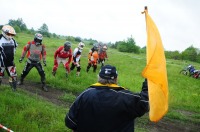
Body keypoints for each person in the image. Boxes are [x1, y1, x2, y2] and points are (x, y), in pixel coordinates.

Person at [65, 65, 149, 132]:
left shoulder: (85, 94)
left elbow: (70, 121)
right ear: (116, 78)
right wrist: (148, 82)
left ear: (99, 77)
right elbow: (144, 103)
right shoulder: (127, 97)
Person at [0, 25, 18, 91]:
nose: (10, 36)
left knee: (14, 76)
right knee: (0, 76)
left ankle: (14, 90)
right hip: (1, 63)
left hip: (10, 62)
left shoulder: (13, 40)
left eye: (12, 34)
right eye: (9, 34)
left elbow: (15, 48)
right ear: (4, 32)